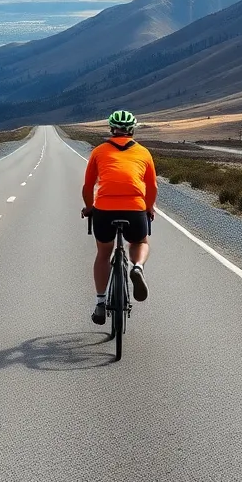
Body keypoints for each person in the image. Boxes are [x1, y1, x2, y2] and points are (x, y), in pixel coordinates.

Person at [80, 109, 157, 326]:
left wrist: (89, 208)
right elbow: (151, 187)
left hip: (104, 209)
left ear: (111, 129)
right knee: (140, 242)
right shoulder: (144, 153)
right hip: (134, 209)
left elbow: (88, 186)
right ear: (132, 130)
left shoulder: (99, 151)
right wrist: (149, 208)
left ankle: (100, 302)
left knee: (104, 253)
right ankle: (138, 267)